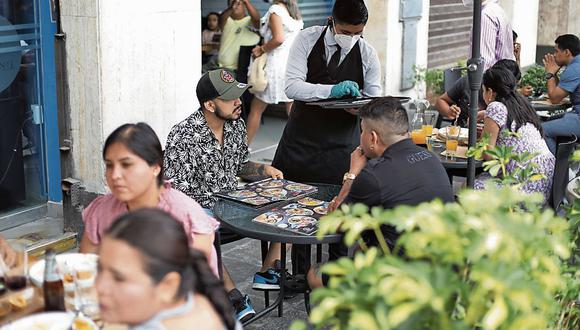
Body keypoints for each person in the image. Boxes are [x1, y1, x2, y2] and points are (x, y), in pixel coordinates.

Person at [164, 69, 284, 322]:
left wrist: (263, 169)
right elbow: (175, 193)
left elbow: (241, 165)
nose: (239, 102)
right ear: (209, 104)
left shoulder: (236, 125)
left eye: (239, 96)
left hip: (235, 201)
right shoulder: (182, 136)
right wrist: (204, 214)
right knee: (203, 232)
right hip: (200, 209)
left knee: (290, 206)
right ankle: (233, 297)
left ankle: (266, 272)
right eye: (230, 98)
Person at [272, 0, 381, 276]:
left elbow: (373, 102)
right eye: (346, 32)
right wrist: (332, 91)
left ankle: (334, 279)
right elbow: (292, 86)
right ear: (332, 22)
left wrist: (356, 105)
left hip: (340, 146)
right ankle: (298, 276)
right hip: (301, 142)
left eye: (358, 33)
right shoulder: (307, 39)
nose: (352, 39)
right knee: (294, 213)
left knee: (339, 214)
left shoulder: (368, 54)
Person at [307, 98, 454, 288]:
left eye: (362, 131)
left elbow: (335, 223)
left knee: (313, 275)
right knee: (362, 248)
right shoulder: (431, 157)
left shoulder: (373, 175)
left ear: (373, 138)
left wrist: (352, 173)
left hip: (397, 277)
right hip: (441, 268)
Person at [79, 123, 220, 277]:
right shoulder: (102, 210)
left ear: (155, 167)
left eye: (126, 164)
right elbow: (85, 270)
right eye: (109, 165)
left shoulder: (186, 217)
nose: (115, 175)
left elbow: (196, 286)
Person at [96, 208, 239, 330]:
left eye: (119, 278)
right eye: (99, 269)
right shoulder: (196, 304)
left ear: (168, 286)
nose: (99, 287)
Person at [475, 67, 555, 201]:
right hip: (543, 186)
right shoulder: (521, 104)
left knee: (469, 187)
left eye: (483, 90)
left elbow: (488, 155)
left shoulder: (495, 107)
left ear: (489, 91)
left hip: (522, 188)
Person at [246, 0, 303, 145]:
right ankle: (301, 145)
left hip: (276, 65)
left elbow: (278, 39)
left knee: (256, 108)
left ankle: (243, 149)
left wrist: (261, 49)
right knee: (292, 107)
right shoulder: (294, 11)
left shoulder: (275, 10)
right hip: (291, 64)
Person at [435, 59, 522, 127]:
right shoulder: (469, 82)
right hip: (463, 134)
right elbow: (440, 101)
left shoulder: (513, 99)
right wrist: (449, 112)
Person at [542, 34, 580, 154]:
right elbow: (559, 90)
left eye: (556, 51)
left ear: (567, 52)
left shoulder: (574, 68)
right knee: (550, 120)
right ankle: (566, 165)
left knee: (542, 129)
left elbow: (554, 98)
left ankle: (556, 169)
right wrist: (554, 74)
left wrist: (550, 74)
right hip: (575, 113)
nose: (554, 55)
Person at [461, 0, 514, 70]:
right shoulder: (497, 10)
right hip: (503, 76)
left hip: (492, 78)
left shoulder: (485, 15)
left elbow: (483, 64)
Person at [217, 0, 260, 74]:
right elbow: (221, 19)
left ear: (244, 6)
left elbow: (256, 19)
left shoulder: (250, 20)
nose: (235, 5)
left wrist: (246, 2)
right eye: (232, 2)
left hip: (247, 69)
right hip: (226, 68)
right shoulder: (226, 19)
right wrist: (232, 6)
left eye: (238, 3)